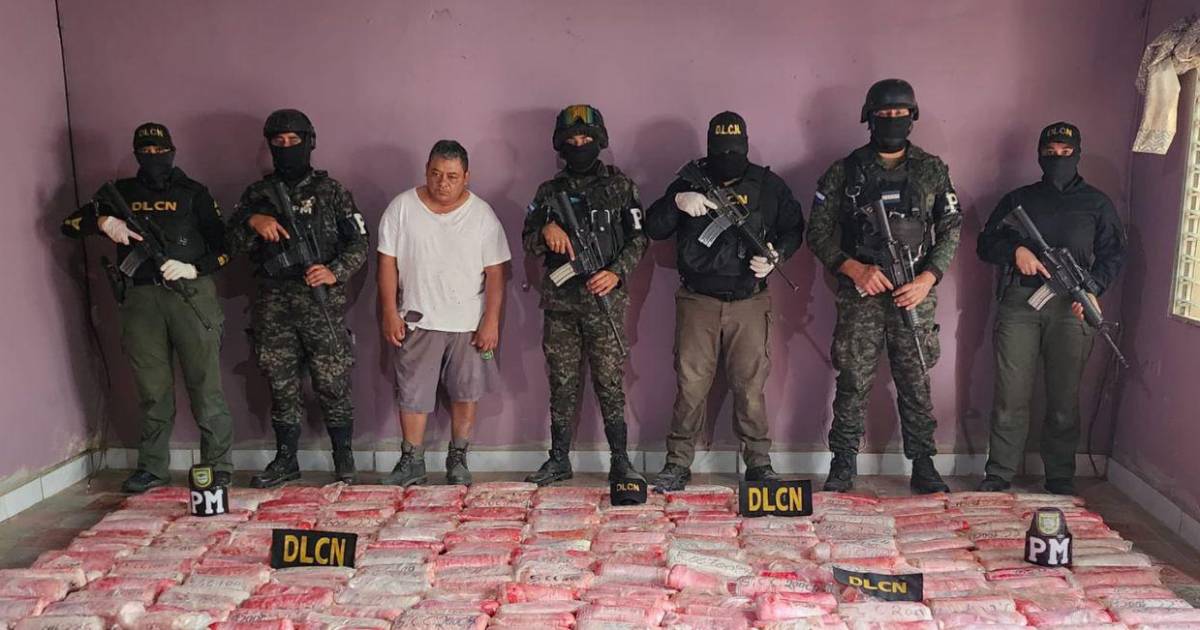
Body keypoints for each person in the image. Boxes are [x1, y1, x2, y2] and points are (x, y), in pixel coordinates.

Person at [807, 79, 962, 494]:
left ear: (912, 117)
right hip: (863, 295)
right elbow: (817, 233)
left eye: (900, 113)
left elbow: (950, 228)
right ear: (869, 117)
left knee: (915, 379)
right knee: (853, 380)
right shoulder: (844, 172)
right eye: (884, 113)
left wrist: (928, 278)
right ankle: (843, 462)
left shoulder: (931, 169)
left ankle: (923, 463)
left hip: (914, 292)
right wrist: (854, 268)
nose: (892, 120)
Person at [60, 122, 233, 493]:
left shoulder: (194, 193)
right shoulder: (119, 194)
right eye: (146, 151)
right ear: (136, 153)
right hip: (140, 299)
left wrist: (194, 268)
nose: (153, 157)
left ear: (172, 151)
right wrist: (103, 221)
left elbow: (225, 247)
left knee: (206, 387)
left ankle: (218, 465)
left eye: (160, 151)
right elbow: (69, 225)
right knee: (153, 390)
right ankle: (153, 467)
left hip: (190, 295)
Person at [644, 111, 805, 492]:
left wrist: (776, 256)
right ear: (709, 147)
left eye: (734, 149)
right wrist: (677, 200)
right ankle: (677, 462)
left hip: (749, 301)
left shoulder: (767, 186)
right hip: (697, 300)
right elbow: (654, 226)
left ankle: (759, 463)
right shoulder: (689, 181)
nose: (728, 156)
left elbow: (794, 228)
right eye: (720, 150)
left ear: (745, 146)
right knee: (691, 386)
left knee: (750, 388)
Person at [976, 122, 1126, 495]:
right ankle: (999, 473)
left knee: (1064, 397)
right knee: (1011, 395)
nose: (1058, 157)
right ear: (1040, 154)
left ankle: (1059, 475)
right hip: (1021, 303)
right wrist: (1015, 251)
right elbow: (985, 243)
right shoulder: (1018, 199)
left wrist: (1093, 288)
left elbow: (1113, 253)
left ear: (1077, 154)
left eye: (1065, 152)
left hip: (1072, 305)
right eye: (1050, 151)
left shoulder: (1097, 203)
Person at [227, 109, 369, 488]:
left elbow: (359, 242)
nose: (287, 148)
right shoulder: (257, 195)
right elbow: (229, 243)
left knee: (333, 380)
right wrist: (252, 221)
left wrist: (335, 271)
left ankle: (343, 457)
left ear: (309, 143)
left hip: (321, 303)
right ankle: (286, 459)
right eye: (279, 142)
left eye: (294, 141)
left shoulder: (332, 192)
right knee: (280, 382)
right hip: (274, 304)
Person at [521, 104, 648, 486]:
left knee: (609, 382)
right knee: (562, 383)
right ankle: (558, 459)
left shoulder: (620, 187)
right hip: (561, 304)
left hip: (604, 301)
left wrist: (615, 272)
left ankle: (620, 460)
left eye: (586, 139)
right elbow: (527, 239)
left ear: (599, 141)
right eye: (572, 140)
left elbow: (638, 239)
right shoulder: (549, 192)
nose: (579, 145)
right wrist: (546, 231)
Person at [378, 140, 510, 487]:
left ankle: (458, 457)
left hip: (468, 324)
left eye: (452, 176)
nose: (442, 183)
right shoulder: (401, 208)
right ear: (426, 171)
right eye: (436, 174)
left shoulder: (482, 215)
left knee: (466, 392)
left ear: (466, 176)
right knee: (412, 394)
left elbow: (496, 273)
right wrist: (389, 311)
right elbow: (387, 264)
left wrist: (491, 321)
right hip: (417, 318)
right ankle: (412, 460)